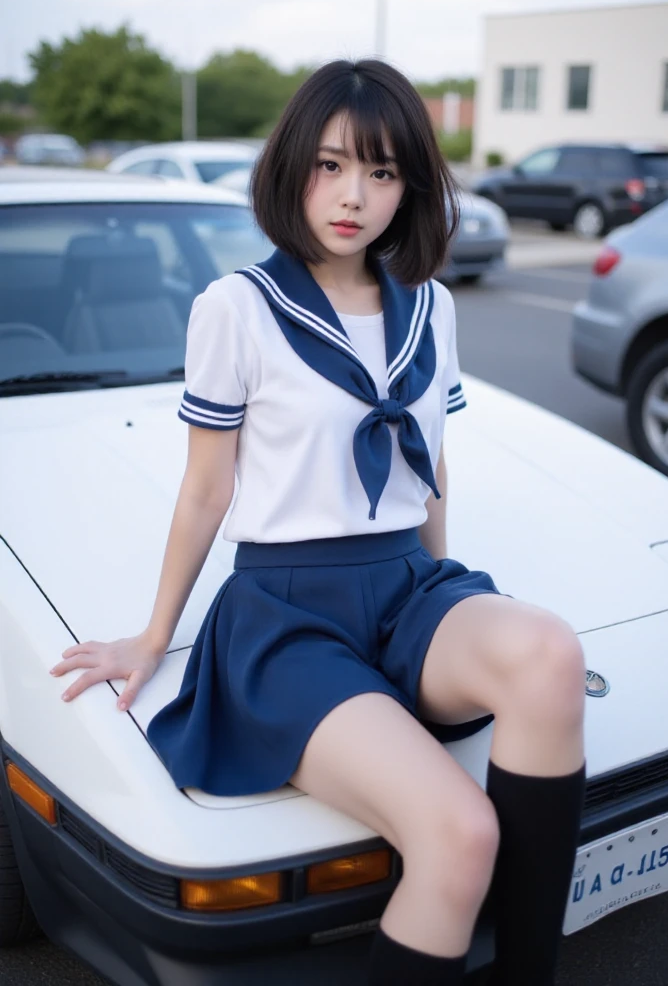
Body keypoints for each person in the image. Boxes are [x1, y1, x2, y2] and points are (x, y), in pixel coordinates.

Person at [49, 59, 587, 986]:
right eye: (332, 165)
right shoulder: (239, 308)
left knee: (549, 653)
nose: (354, 196)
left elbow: (431, 465)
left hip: (404, 588)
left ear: (408, 189)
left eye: (382, 174)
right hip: (287, 614)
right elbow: (207, 491)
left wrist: (443, 613)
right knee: (459, 834)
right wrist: (153, 635)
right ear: (293, 164)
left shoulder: (433, 306)